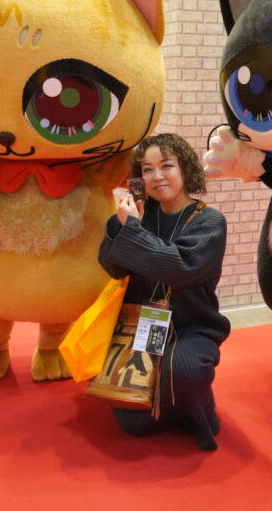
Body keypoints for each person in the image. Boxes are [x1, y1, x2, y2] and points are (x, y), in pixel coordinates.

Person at [97, 133, 230, 451]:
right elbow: (113, 268)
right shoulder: (140, 215)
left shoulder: (210, 221)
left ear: (184, 169)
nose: (157, 176)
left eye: (166, 165)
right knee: (134, 425)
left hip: (192, 326)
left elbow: (179, 268)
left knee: (182, 369)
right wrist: (121, 226)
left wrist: (133, 232)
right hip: (140, 325)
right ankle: (166, 402)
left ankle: (194, 408)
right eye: (147, 169)